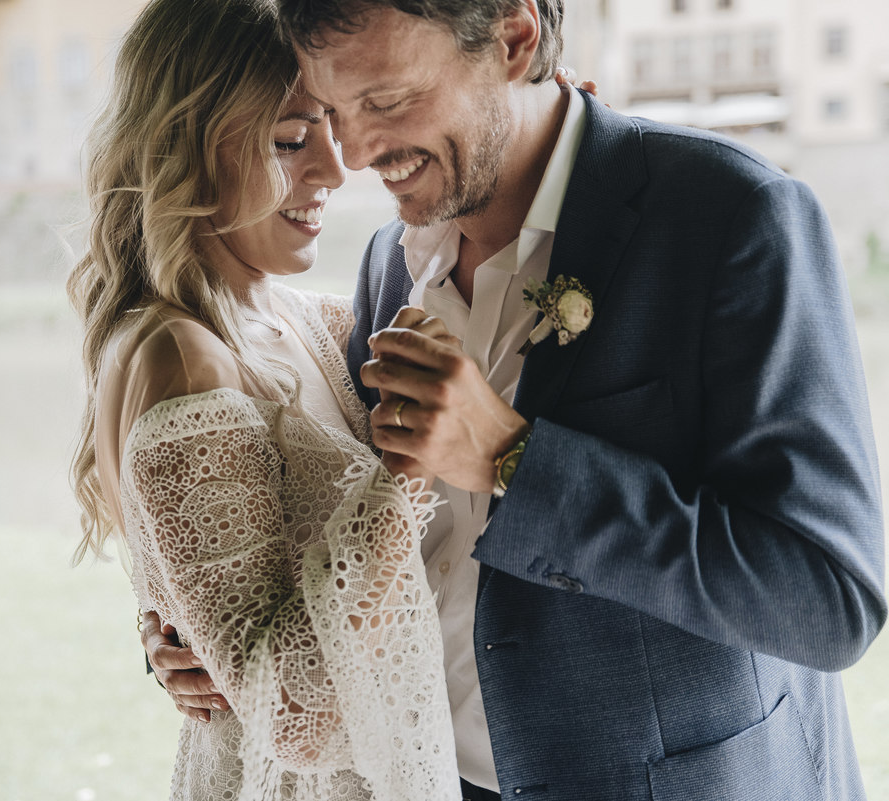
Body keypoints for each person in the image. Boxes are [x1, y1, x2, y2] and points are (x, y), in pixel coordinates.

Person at [150, 1, 887, 799]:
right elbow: (351, 528)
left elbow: (828, 598)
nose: (356, 151)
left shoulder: (730, 216)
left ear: (513, 37)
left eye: (387, 102)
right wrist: (210, 637)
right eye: (331, 111)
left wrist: (514, 458)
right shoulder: (386, 266)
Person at [69, 0, 463, 798]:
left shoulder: (306, 320)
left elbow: (241, 602)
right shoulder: (182, 360)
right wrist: (414, 466)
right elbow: (294, 716)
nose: (330, 167)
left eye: (328, 125)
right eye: (288, 139)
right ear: (186, 143)